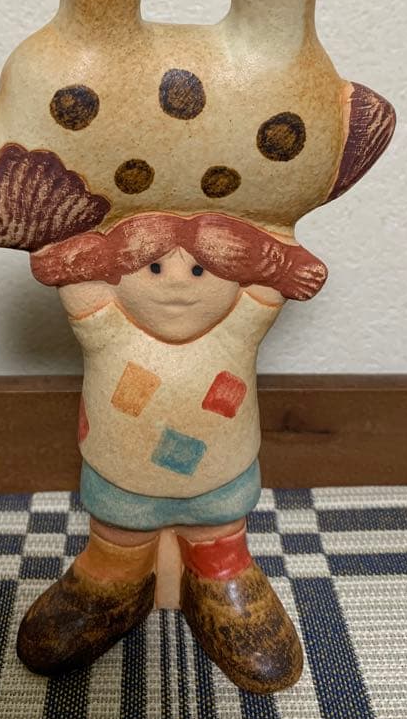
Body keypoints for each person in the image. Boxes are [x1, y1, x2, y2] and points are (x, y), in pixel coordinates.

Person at [17, 211, 326, 692]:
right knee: (119, 536)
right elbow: (73, 270)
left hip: (218, 482)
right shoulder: (108, 327)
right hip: (122, 481)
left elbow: (272, 255)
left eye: (200, 269)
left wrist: (276, 232)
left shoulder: (237, 328)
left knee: (218, 537)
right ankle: (112, 580)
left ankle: (220, 579)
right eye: (155, 267)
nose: (178, 284)